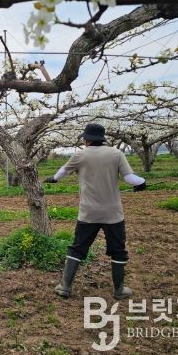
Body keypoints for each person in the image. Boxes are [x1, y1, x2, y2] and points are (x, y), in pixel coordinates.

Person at [44, 123, 147, 300]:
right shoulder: (116, 154)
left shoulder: (80, 155)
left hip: (88, 213)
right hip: (113, 214)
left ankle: (65, 287)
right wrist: (142, 182)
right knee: (118, 249)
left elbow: (62, 172)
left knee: (77, 248)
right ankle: (119, 290)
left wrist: (53, 179)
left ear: (87, 140)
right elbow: (130, 178)